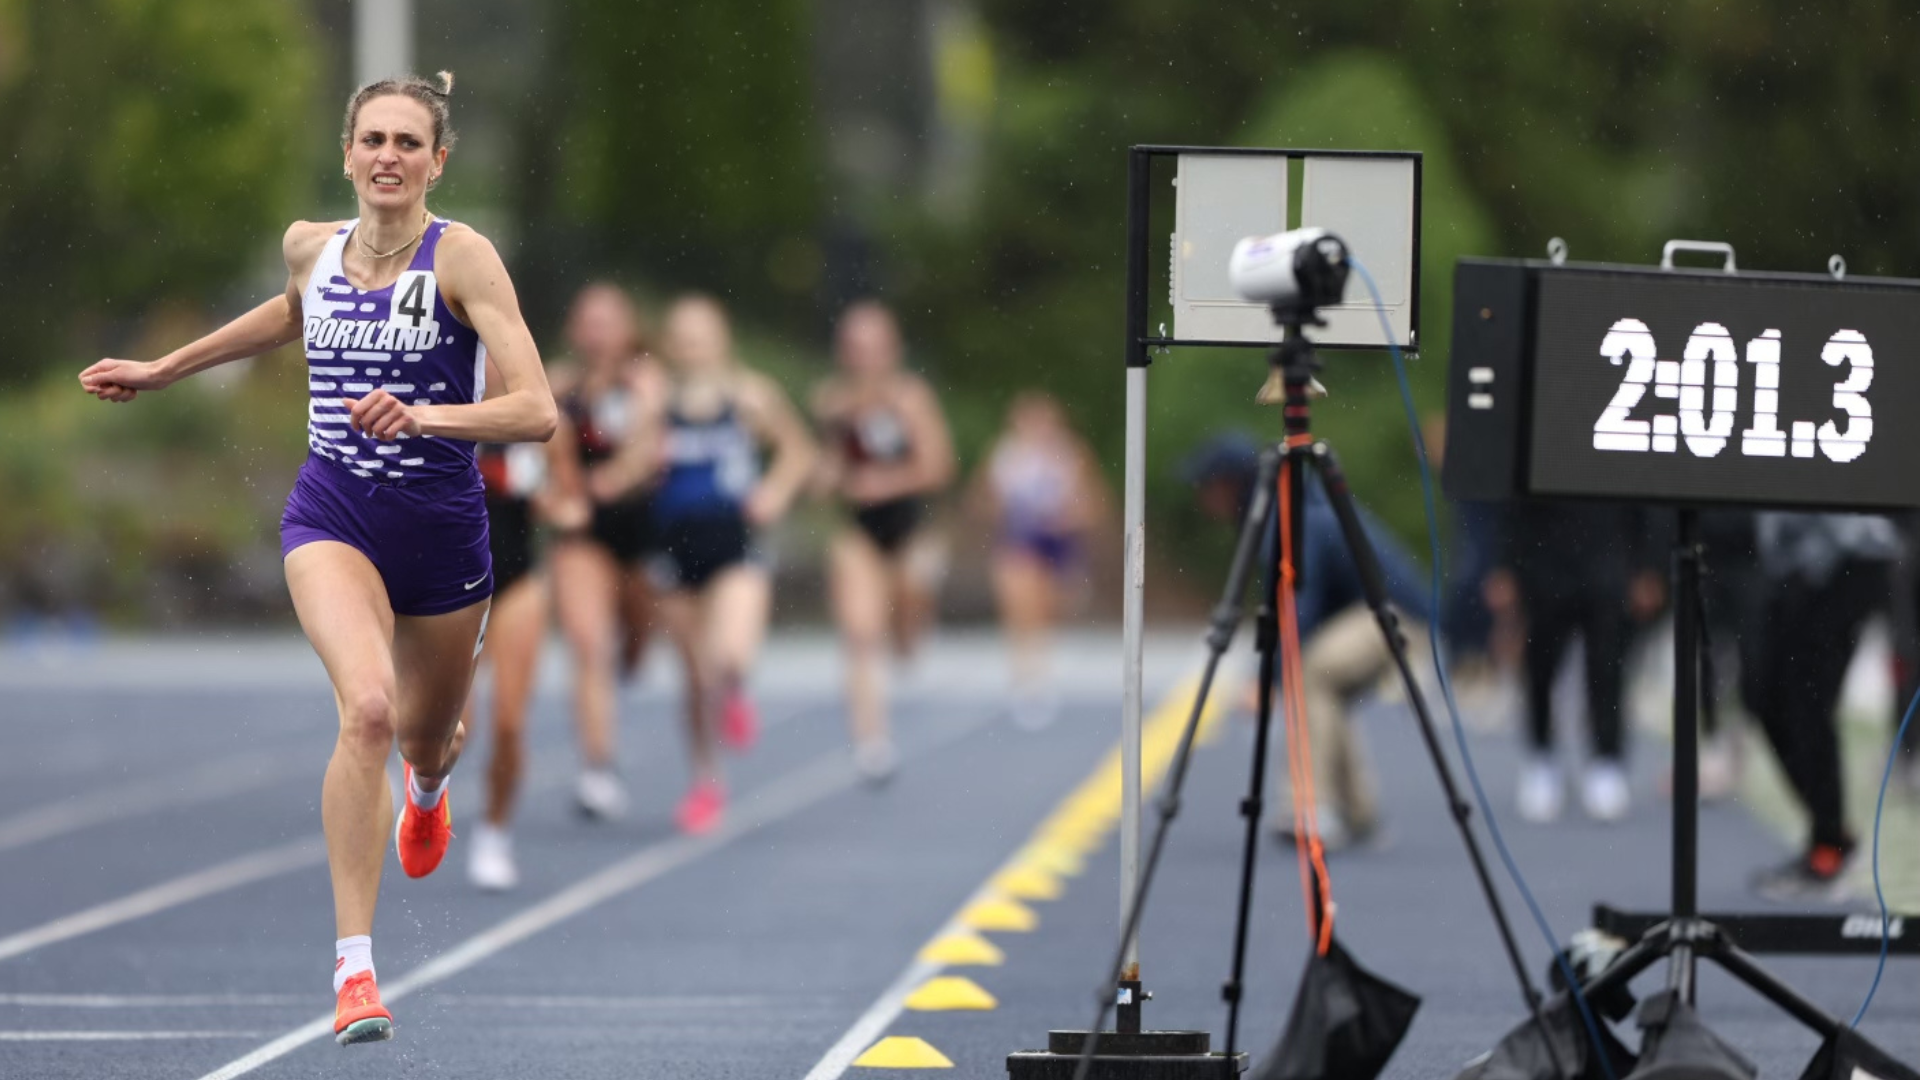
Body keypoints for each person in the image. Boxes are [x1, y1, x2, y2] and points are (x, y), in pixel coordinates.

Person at [78, 72, 558, 1045]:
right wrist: (165, 370)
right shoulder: (312, 246)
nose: (388, 157)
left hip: (443, 529)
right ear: (347, 152)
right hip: (334, 513)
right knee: (367, 710)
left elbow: (538, 410)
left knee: (426, 737)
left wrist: (426, 414)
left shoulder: (463, 260)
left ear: (437, 161)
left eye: (408, 143)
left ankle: (428, 792)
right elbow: (289, 309)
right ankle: (354, 973)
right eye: (372, 139)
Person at [1184, 433, 1432, 851]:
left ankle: (1314, 808)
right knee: (1323, 686)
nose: (1201, 498)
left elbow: (1299, 605)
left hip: (1393, 615)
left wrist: (1269, 678)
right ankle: (1358, 811)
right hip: (1386, 614)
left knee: (1309, 673)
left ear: (1228, 483)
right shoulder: (1289, 506)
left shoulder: (1290, 515)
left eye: (1206, 485)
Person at [646, 294, 817, 833]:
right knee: (694, 678)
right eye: (683, 333)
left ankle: (738, 690)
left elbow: (799, 450)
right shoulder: (656, 402)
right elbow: (631, 465)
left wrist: (774, 492)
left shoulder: (750, 395)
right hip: (673, 547)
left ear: (722, 337)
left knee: (729, 657)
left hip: (734, 544)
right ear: (671, 345)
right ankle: (705, 780)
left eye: (703, 331)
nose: (693, 342)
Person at [811, 301, 956, 783]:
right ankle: (872, 741)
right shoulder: (833, 401)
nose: (864, 358)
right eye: (855, 348)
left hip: (909, 528)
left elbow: (938, 466)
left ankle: (911, 633)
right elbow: (831, 464)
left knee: (905, 628)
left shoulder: (909, 398)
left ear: (892, 350)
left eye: (874, 348)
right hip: (859, 532)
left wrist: (886, 482)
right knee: (860, 634)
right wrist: (825, 477)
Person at [547, 283, 668, 820]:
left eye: (608, 322)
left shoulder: (645, 381)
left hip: (640, 531)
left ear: (627, 330)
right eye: (588, 322)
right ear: (576, 330)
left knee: (636, 643)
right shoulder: (560, 383)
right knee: (588, 645)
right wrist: (563, 490)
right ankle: (597, 767)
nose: (597, 334)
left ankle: (632, 658)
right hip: (582, 534)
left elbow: (649, 442)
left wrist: (619, 475)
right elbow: (541, 442)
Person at [463, 412, 590, 891]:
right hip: (449, 584)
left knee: (510, 721)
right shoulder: (433, 401)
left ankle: (494, 834)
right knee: (455, 727)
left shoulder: (539, 417)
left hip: (517, 581)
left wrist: (551, 503)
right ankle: (421, 788)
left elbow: (572, 503)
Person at [1745, 512, 1901, 900]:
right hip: (1795, 561)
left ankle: (1828, 845)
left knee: (1808, 703)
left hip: (1843, 559)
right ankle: (1832, 833)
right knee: (1762, 695)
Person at [1495, 501, 1665, 824]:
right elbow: (1515, 503)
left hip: (1608, 559)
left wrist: (1649, 566)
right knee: (1540, 668)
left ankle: (1606, 761)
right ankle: (1541, 757)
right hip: (1545, 560)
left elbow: (1644, 500)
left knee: (1607, 668)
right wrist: (1506, 566)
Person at [974, 392, 1105, 729]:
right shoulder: (1004, 457)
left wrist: (1065, 517)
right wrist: (1006, 511)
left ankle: (1037, 669)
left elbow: (1094, 505)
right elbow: (981, 502)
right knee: (1021, 604)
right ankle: (1029, 680)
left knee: (1049, 611)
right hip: (1020, 540)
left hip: (1059, 543)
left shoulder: (1071, 455)